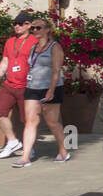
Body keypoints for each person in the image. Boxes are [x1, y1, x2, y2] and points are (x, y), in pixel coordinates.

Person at [11, 16, 70, 167]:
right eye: (33, 28)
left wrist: (50, 91)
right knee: (31, 122)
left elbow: (56, 71)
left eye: (39, 28)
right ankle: (25, 157)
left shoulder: (55, 47)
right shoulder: (33, 47)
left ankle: (63, 151)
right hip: (32, 87)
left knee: (52, 122)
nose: (35, 30)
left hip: (50, 88)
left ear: (48, 30)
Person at [0, 12, 37, 159]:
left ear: (29, 25)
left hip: (27, 86)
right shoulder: (10, 42)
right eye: (15, 23)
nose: (17, 26)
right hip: (9, 85)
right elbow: (5, 61)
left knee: (27, 120)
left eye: (20, 23)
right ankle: (12, 142)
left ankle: (30, 147)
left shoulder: (35, 41)